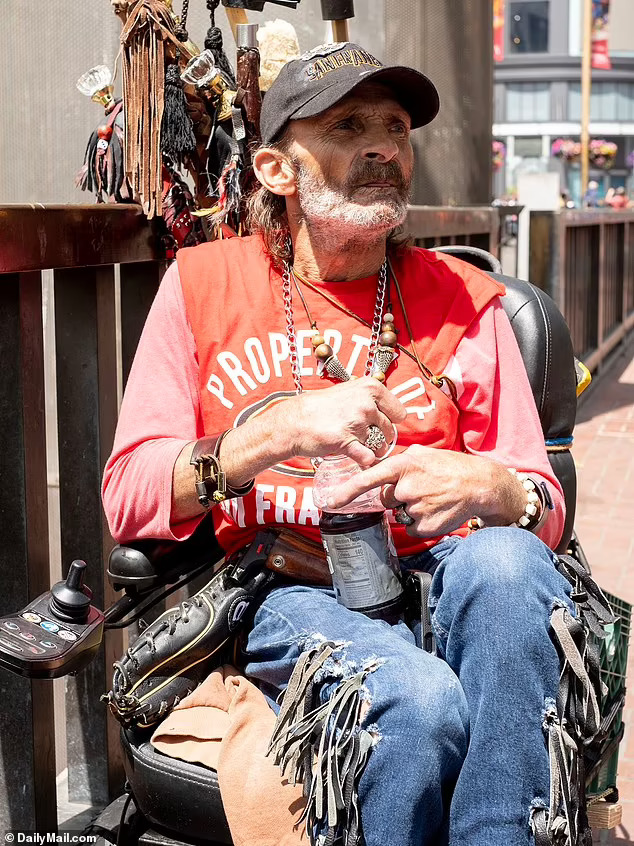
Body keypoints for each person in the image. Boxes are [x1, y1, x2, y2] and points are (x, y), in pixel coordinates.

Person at [103, 43, 588, 846]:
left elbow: (544, 505)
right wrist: (276, 432)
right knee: (416, 699)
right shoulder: (201, 286)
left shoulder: (468, 302)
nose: (384, 147)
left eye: (395, 128)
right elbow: (130, 495)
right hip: (294, 589)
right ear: (276, 169)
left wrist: (491, 487)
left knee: (508, 561)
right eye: (348, 127)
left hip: (449, 583)